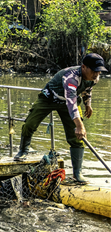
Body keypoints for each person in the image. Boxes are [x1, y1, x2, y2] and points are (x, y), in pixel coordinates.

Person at [13, 53, 107, 183]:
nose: (97, 74)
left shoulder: (94, 78)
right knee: (30, 123)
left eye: (99, 71)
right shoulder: (71, 78)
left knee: (78, 137)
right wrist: (79, 125)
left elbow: (87, 89)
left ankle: (77, 173)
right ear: (84, 67)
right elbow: (71, 102)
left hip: (68, 103)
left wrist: (87, 105)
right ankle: (23, 150)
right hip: (49, 98)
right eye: (94, 70)